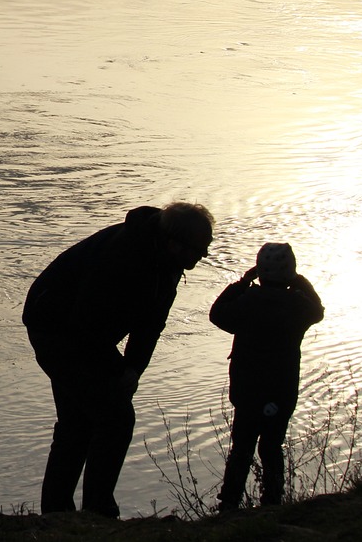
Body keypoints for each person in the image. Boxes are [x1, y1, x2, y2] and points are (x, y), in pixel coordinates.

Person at [22, 202, 214, 518]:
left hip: (81, 332)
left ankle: (60, 515)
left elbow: (151, 323)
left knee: (79, 423)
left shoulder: (166, 262)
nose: (201, 257)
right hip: (54, 327)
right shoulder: (123, 256)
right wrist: (116, 373)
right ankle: (96, 512)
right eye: (199, 250)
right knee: (114, 418)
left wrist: (134, 368)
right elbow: (86, 324)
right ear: (175, 243)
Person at [210, 242, 323, 510]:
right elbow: (318, 310)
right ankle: (272, 502)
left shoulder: (247, 301)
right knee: (272, 447)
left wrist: (242, 283)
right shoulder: (298, 305)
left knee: (241, 449)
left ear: (259, 271)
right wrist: (300, 282)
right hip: (281, 393)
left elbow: (217, 313)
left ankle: (229, 504)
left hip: (247, 392)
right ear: (290, 272)